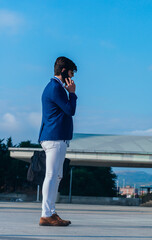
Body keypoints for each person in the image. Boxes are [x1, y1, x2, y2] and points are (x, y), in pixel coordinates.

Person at [38, 56, 78, 226]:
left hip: (57, 137)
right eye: (71, 72)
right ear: (64, 71)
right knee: (52, 176)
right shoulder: (55, 88)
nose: (73, 76)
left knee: (57, 176)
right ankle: (46, 214)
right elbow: (70, 110)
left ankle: (51, 212)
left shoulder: (55, 87)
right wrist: (73, 93)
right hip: (54, 137)